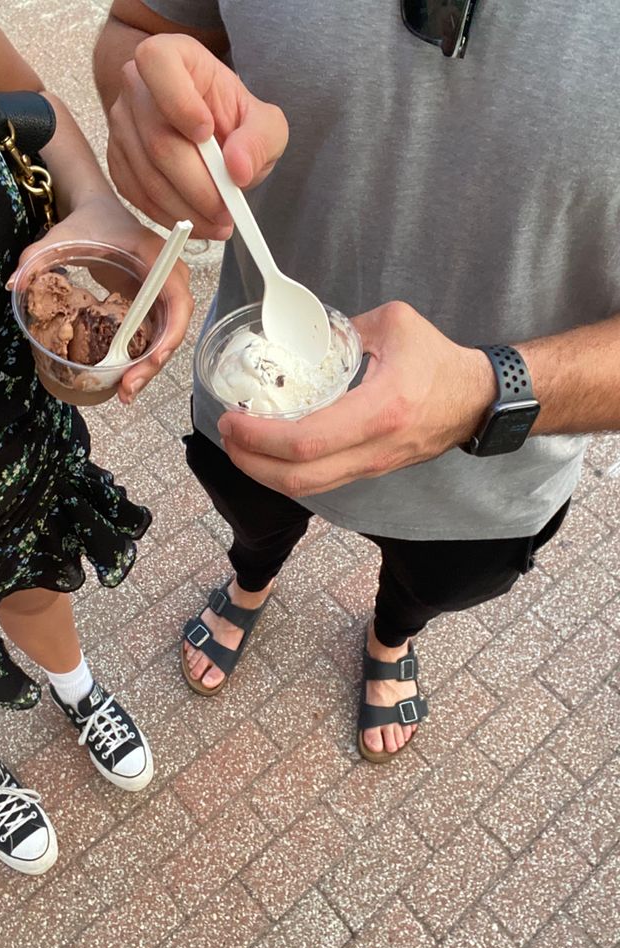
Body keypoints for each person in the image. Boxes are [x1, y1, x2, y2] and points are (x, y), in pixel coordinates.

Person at [94, 2, 620, 762]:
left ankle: (390, 637)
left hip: (489, 471)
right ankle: (250, 582)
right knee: (254, 529)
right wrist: (145, 108)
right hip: (252, 396)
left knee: (427, 587)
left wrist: (484, 387)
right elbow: (138, 33)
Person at [0, 0, 193, 874]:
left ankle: (77, 688)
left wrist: (98, 205)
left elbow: (34, 112)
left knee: (31, 581)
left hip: (10, 440)